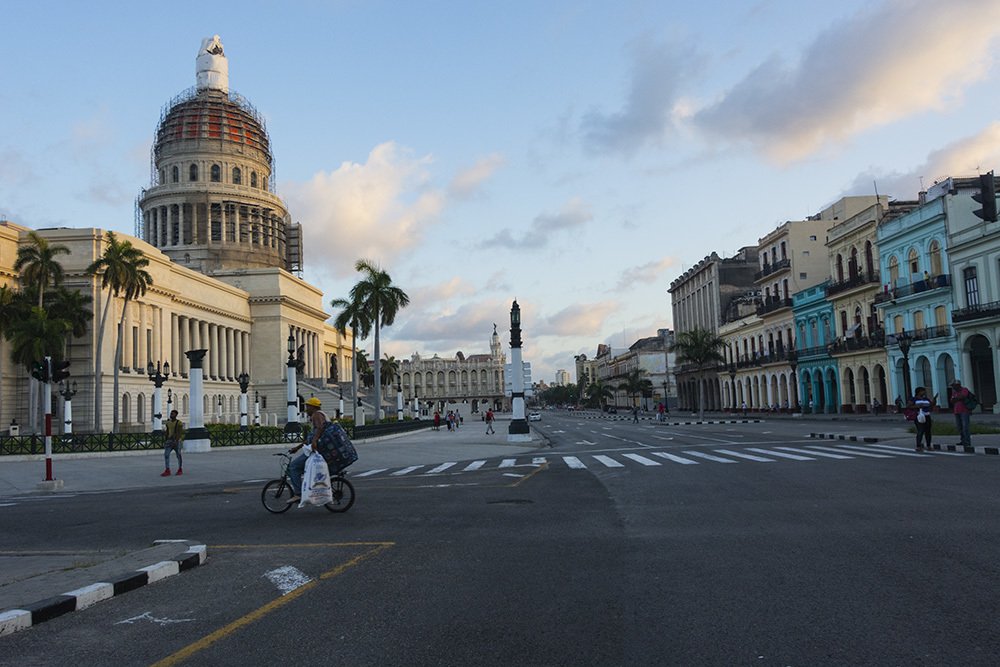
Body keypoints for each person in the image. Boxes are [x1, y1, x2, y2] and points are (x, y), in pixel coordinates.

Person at [286, 397, 328, 504]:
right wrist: (297, 448)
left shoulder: (317, 415)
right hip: (320, 449)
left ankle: (298, 494)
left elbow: (319, 429)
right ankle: (306, 488)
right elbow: (310, 437)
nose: (306, 409)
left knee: (294, 467)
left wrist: (314, 441)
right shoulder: (321, 414)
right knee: (301, 468)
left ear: (313, 407)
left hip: (317, 450)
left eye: (307, 406)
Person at [949, 379, 974, 447]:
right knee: (959, 427)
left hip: (964, 411)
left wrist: (956, 398)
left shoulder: (964, 389)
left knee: (965, 427)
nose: (953, 387)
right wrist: (956, 398)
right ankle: (962, 440)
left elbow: (963, 396)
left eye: (954, 386)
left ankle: (967, 441)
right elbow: (952, 401)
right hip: (956, 411)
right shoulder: (954, 392)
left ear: (958, 385)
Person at [909, 387, 934, 451]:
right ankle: (918, 446)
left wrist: (933, 402)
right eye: (923, 391)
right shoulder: (914, 399)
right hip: (919, 416)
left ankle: (928, 445)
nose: (924, 392)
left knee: (928, 431)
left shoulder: (926, 399)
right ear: (919, 392)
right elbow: (909, 406)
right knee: (920, 430)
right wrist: (916, 406)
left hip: (927, 415)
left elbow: (931, 406)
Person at [161, 409, 185, 476]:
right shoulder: (168, 423)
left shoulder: (179, 423)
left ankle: (180, 469)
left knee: (178, 455)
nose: (171, 415)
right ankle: (167, 469)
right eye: (171, 413)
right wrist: (165, 440)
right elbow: (167, 431)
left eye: (172, 414)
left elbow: (179, 433)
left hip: (176, 441)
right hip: (169, 441)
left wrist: (176, 440)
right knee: (166, 455)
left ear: (176, 415)